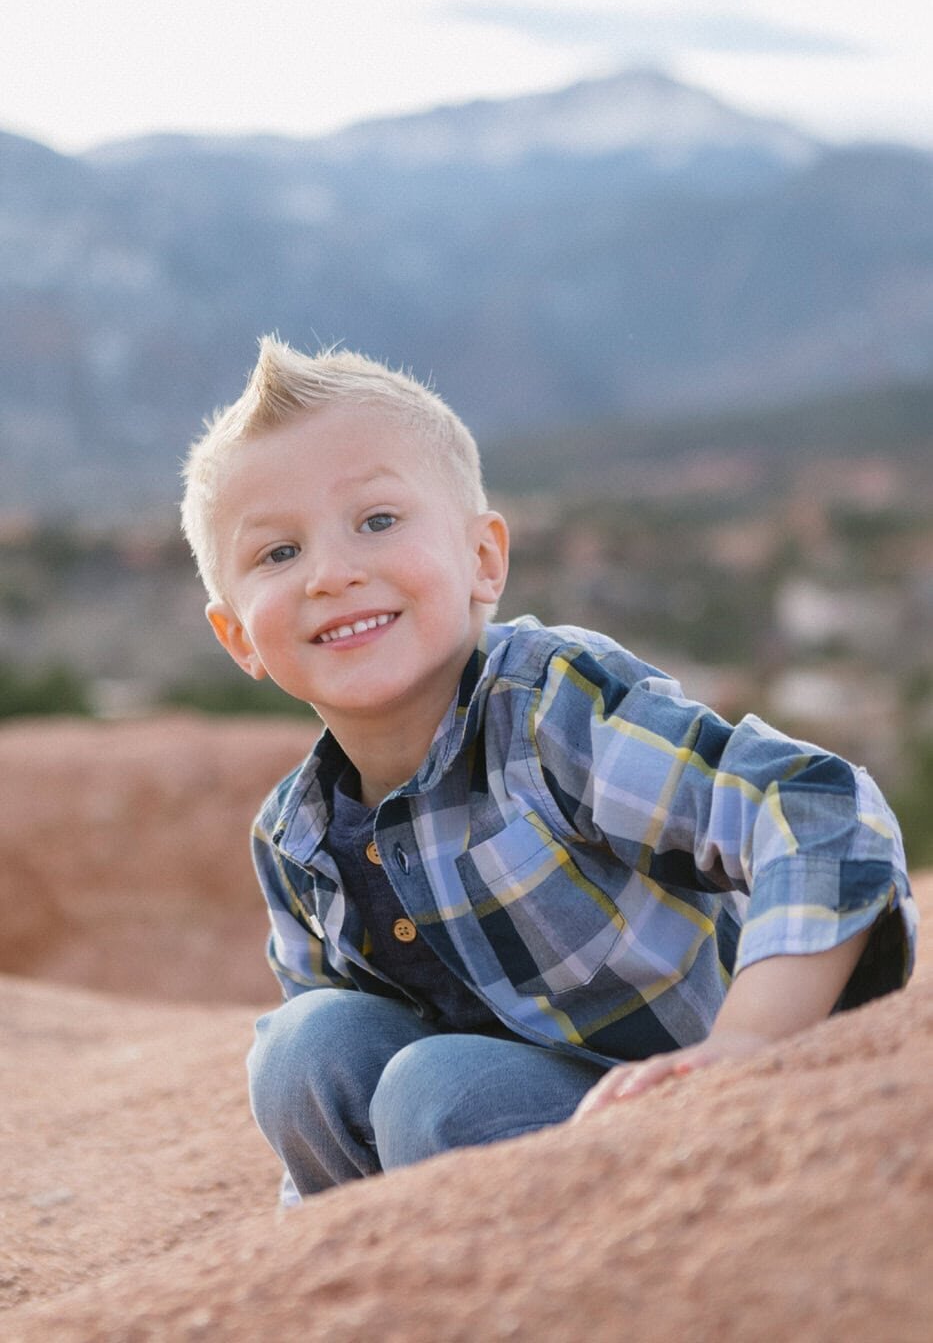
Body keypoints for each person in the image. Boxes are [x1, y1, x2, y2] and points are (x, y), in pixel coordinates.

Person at [180, 337, 917, 1201]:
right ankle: (392, 1288)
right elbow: (329, 1092)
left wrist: (748, 1048)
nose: (333, 574)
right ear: (238, 639)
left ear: (484, 560)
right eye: (278, 554)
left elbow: (816, 807)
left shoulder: (551, 711)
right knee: (304, 1045)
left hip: (699, 1110)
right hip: (482, 1113)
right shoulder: (297, 836)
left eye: (377, 521)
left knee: (437, 1091)